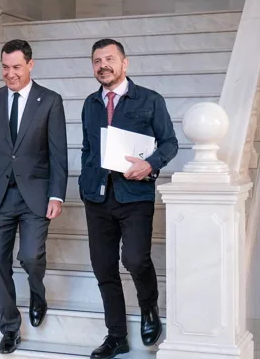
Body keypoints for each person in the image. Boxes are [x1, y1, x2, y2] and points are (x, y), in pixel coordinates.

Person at [79, 39, 179, 359]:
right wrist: (86, 182)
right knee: (103, 268)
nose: (102, 65)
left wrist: (150, 164)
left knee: (135, 259)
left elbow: (170, 143)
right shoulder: (90, 104)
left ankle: (149, 307)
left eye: (109, 59)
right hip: (97, 197)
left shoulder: (150, 100)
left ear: (125, 63)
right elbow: (88, 149)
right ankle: (116, 336)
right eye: (97, 61)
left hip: (135, 195)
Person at [0, 39, 68, 354]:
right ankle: (10, 327)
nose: (10, 74)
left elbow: (58, 153)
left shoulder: (50, 100)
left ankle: (37, 292)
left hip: (35, 194)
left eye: (16, 67)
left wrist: (57, 195)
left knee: (29, 256)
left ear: (30, 65)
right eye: (5, 67)